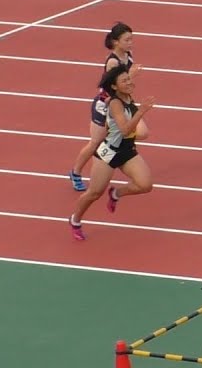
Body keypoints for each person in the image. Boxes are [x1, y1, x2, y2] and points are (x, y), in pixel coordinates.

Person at [69, 63, 155, 241]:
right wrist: (142, 111)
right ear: (114, 86)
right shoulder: (115, 103)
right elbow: (124, 130)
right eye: (125, 80)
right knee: (94, 193)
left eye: (129, 79)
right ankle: (75, 220)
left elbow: (116, 127)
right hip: (109, 154)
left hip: (127, 150)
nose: (130, 82)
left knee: (145, 185)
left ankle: (116, 193)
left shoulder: (127, 96)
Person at [67, 22, 139, 191]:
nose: (131, 43)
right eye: (127, 40)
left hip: (119, 102)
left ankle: (116, 162)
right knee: (96, 142)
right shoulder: (113, 62)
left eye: (131, 39)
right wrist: (131, 75)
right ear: (116, 42)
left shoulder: (128, 54)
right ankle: (76, 172)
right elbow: (111, 86)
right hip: (105, 104)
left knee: (136, 132)